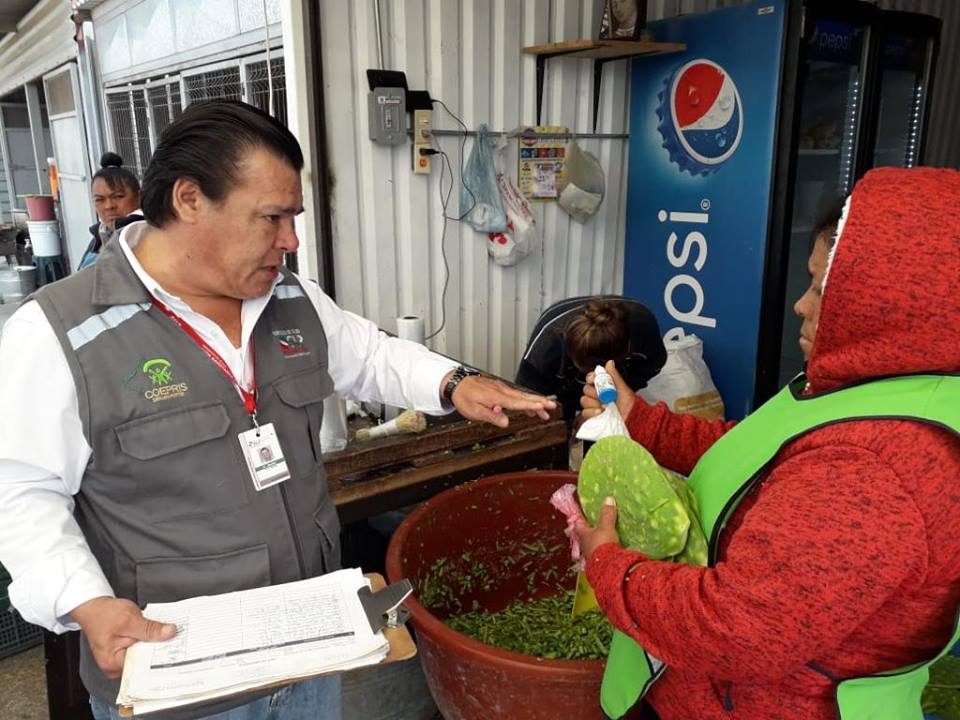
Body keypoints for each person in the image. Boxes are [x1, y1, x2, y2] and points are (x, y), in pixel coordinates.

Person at [0, 100, 555, 720]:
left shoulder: (289, 297)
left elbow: (370, 354)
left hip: (307, 656)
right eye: (271, 217)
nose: (290, 240)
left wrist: (454, 383)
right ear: (189, 199)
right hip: (181, 685)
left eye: (293, 218)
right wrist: (83, 602)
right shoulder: (59, 332)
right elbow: (21, 491)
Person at [576, 167, 960, 720]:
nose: (801, 305)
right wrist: (642, 422)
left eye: (823, 290)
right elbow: (761, 458)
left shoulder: (875, 470)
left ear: (894, 305)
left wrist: (610, 566)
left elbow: (736, 630)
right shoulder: (881, 388)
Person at [515, 296, 666, 423]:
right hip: (556, 373)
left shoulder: (644, 332)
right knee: (554, 424)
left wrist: (598, 410)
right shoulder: (545, 349)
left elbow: (646, 371)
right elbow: (526, 404)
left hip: (619, 366)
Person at [78, 152, 144, 270]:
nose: (109, 206)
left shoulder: (147, 237)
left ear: (139, 197)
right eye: (99, 200)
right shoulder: (97, 239)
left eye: (118, 197)